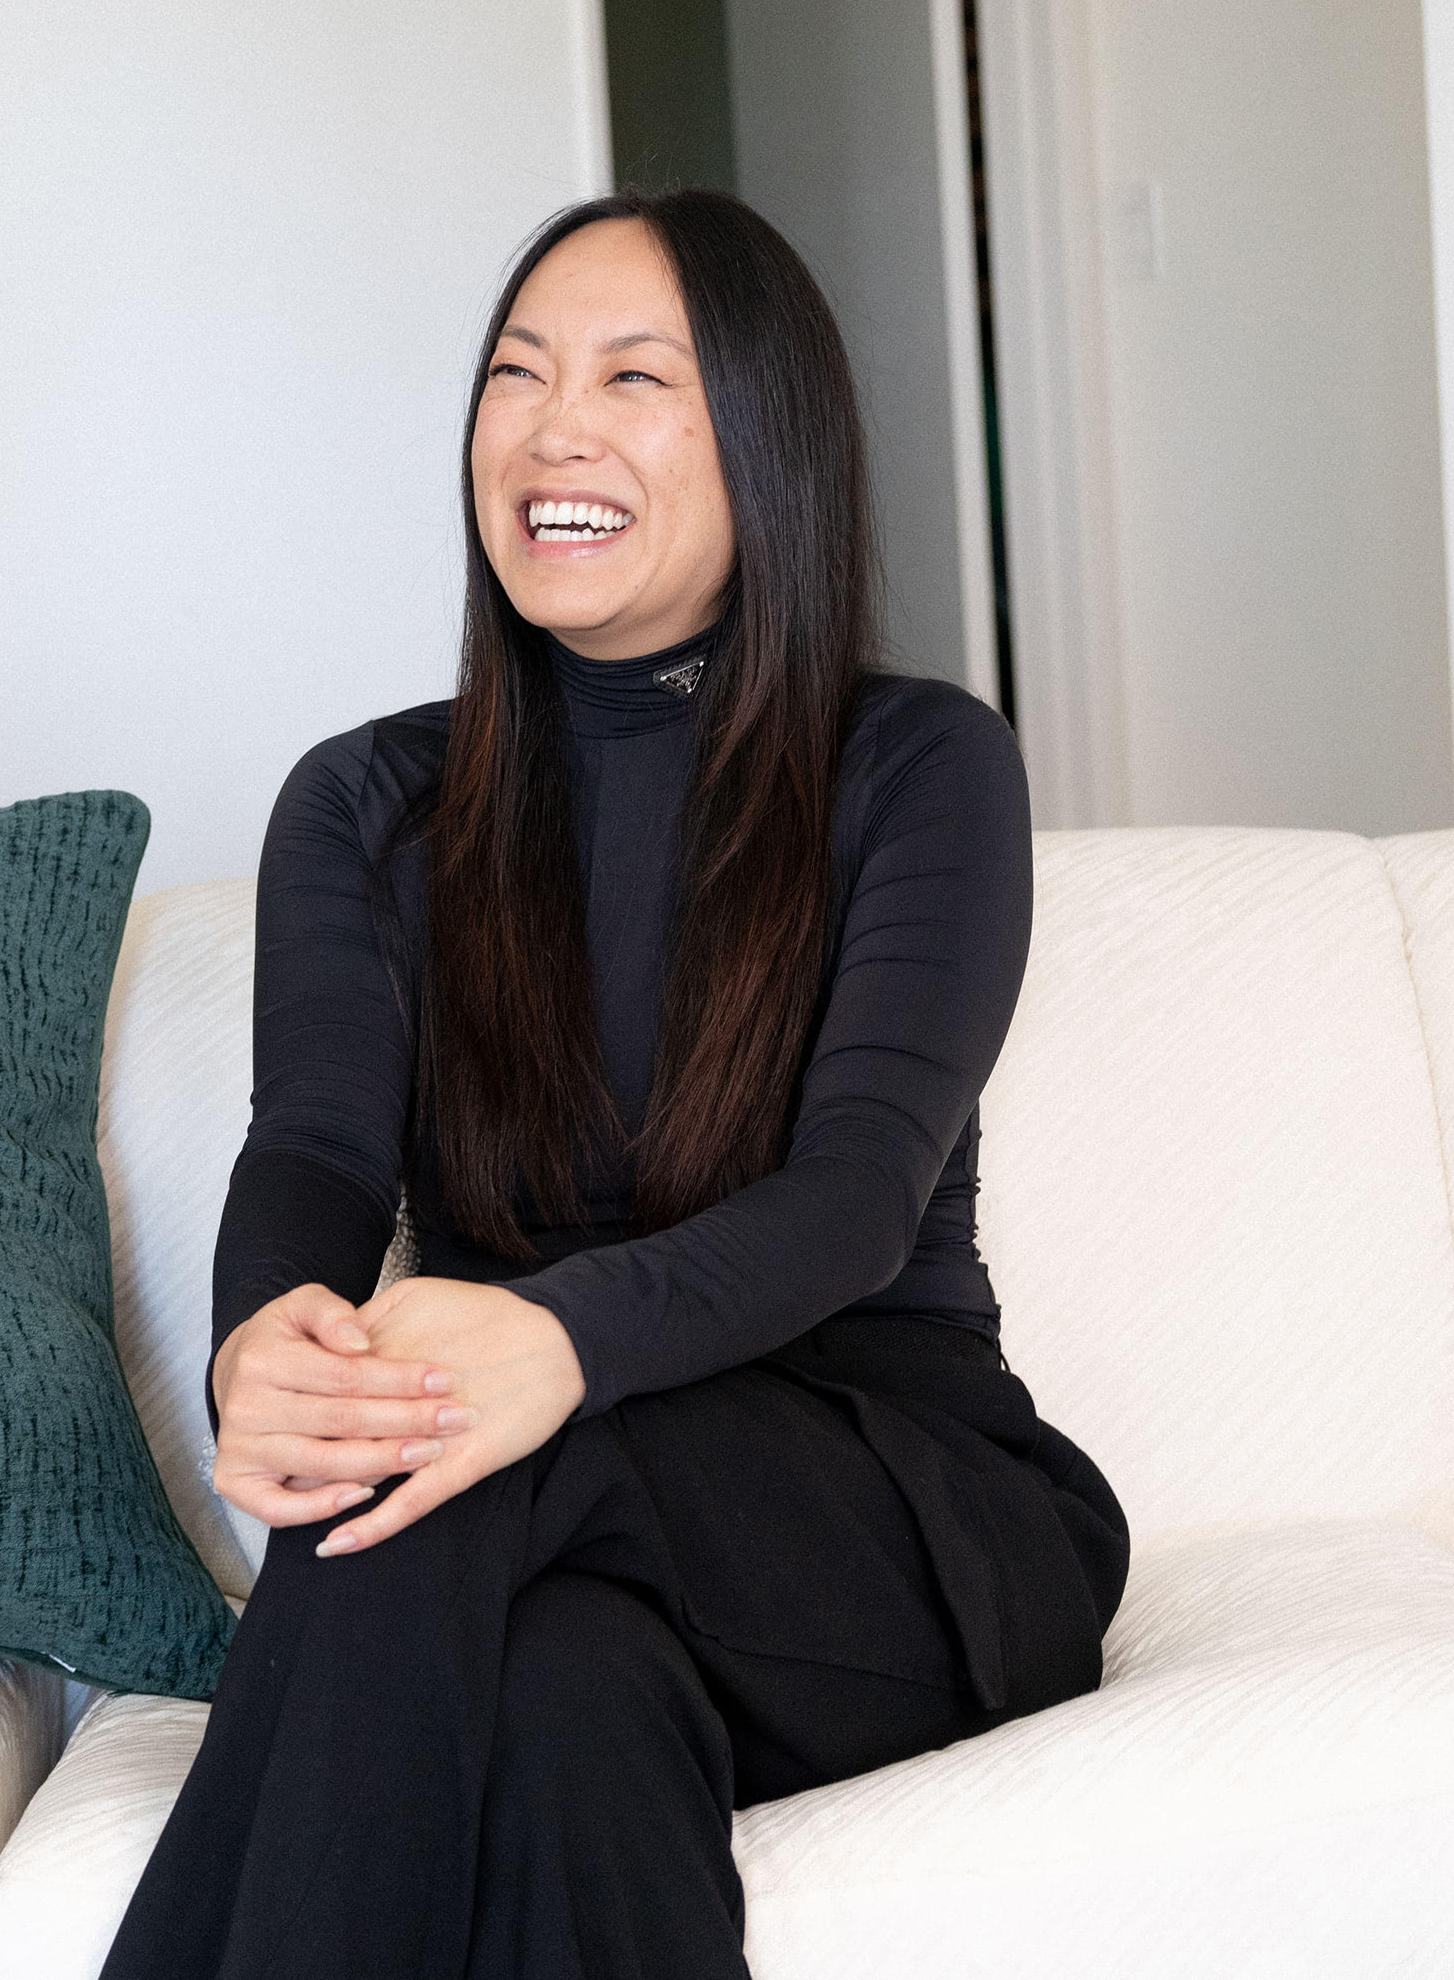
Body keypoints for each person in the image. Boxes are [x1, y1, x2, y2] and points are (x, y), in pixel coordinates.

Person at [103, 190, 1127, 1980]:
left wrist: (551, 1340)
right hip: (536, 1498)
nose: (553, 426)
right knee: (571, 1713)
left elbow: (857, 1191)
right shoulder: (365, 806)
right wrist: (267, 1330)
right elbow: (320, 1146)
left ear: (766, 447)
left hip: (884, 1504)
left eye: (633, 377)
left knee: (418, 1468)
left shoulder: (919, 768)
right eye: (517, 372)